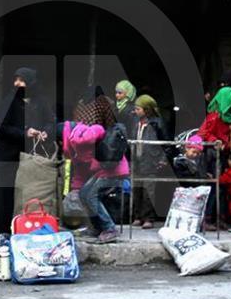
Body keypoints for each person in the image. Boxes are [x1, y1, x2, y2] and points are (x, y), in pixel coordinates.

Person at [0, 67, 53, 235]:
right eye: (16, 80)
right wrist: (25, 133)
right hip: (6, 155)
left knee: (25, 194)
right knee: (3, 195)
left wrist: (46, 131)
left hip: (28, 157)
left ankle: (23, 229)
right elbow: (1, 127)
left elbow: (51, 121)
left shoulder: (40, 101)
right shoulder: (9, 101)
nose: (17, 84)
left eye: (21, 81)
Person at [60, 93, 129, 244]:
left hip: (114, 171)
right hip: (103, 171)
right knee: (84, 193)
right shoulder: (73, 148)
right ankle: (98, 227)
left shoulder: (84, 133)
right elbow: (80, 170)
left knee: (90, 195)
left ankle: (110, 228)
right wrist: (75, 189)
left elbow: (98, 130)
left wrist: (80, 137)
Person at [130, 94, 167, 229]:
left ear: (147, 110)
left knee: (148, 192)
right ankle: (137, 216)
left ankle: (148, 218)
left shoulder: (157, 123)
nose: (136, 111)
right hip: (137, 161)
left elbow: (166, 143)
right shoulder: (136, 123)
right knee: (137, 190)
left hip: (151, 161)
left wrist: (162, 160)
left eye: (138, 109)